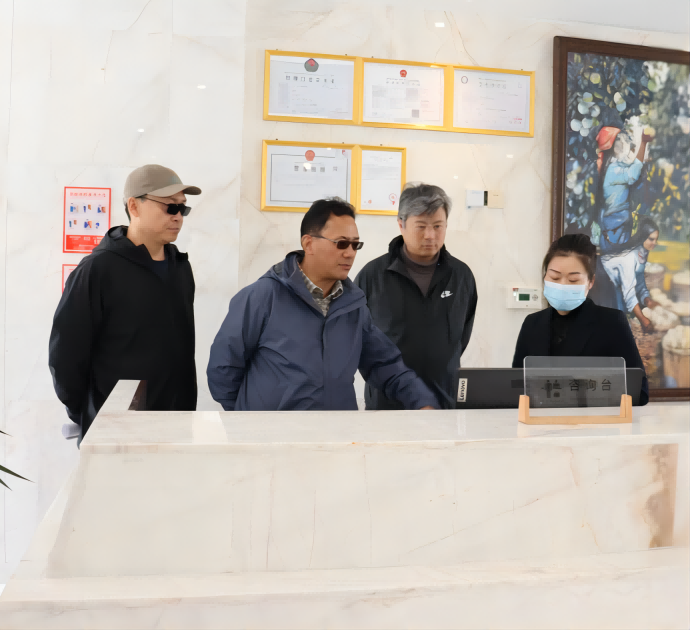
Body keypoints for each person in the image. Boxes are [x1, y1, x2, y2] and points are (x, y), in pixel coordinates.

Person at [207, 198, 439, 411]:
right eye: (341, 244)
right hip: (272, 438)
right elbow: (223, 370)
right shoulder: (262, 297)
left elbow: (384, 365)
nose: (350, 253)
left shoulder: (354, 306)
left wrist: (423, 402)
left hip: (336, 436)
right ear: (308, 243)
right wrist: (248, 419)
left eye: (355, 245)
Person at [49, 165, 201, 444]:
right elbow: (65, 357)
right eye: (170, 207)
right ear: (134, 206)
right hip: (116, 433)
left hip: (176, 426)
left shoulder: (180, 268)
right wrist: (88, 413)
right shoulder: (98, 270)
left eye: (183, 208)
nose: (178, 217)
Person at [355, 183, 477, 410]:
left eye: (438, 226)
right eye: (421, 226)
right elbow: (360, 342)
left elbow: (461, 338)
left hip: (443, 403)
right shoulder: (372, 276)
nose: (430, 235)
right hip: (387, 406)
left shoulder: (461, 276)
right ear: (401, 224)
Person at [512, 233, 648, 405]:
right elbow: (515, 388)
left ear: (590, 282)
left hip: (593, 421)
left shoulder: (612, 323)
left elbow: (639, 392)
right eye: (554, 277)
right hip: (539, 421)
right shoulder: (532, 324)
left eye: (573, 280)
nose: (562, 285)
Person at [595, 126, 653, 252]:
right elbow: (633, 174)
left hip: (618, 221)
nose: (628, 143)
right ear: (615, 147)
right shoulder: (613, 169)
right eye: (623, 140)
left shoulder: (615, 166)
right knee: (617, 255)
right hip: (615, 222)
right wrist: (643, 143)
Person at [600, 216, 661, 332]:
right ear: (643, 237)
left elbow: (639, 279)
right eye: (651, 239)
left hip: (616, 284)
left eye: (656, 239)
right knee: (614, 323)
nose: (654, 243)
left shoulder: (643, 252)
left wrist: (646, 299)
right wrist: (643, 319)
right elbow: (629, 293)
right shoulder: (630, 257)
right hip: (603, 280)